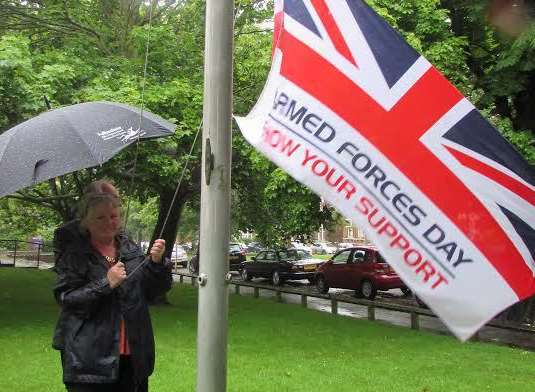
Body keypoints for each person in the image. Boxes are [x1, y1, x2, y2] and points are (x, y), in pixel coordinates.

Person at [52, 180, 172, 392]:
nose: (109, 222)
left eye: (114, 216)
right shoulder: (76, 254)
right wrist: (105, 283)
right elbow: (67, 299)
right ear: (86, 221)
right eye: (100, 217)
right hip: (91, 362)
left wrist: (156, 264)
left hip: (133, 356)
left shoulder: (129, 248)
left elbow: (153, 292)